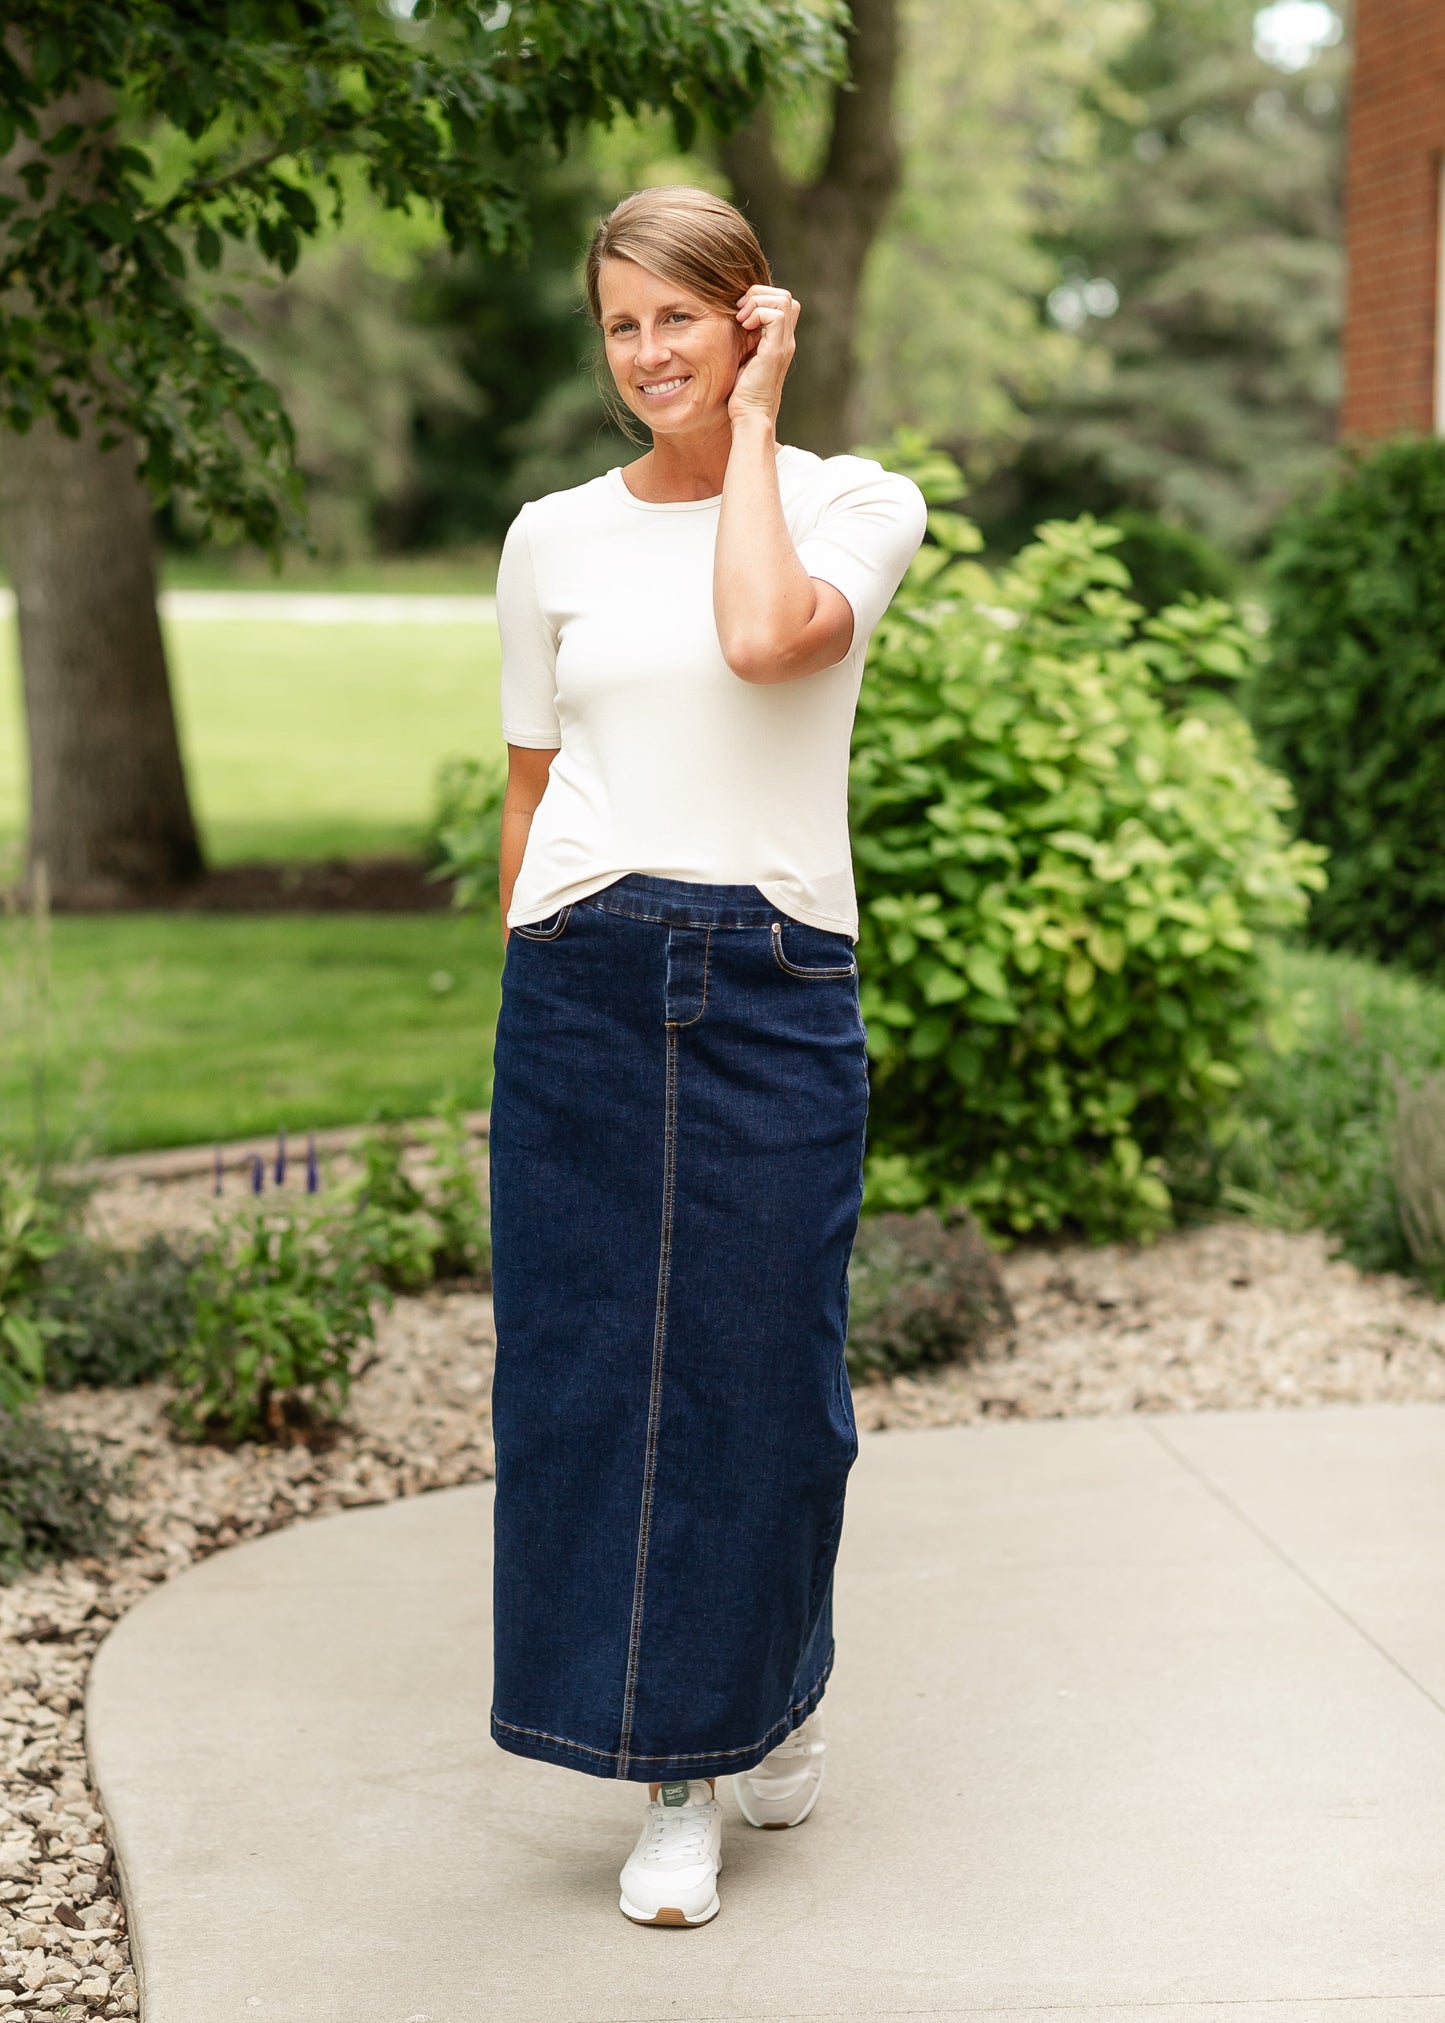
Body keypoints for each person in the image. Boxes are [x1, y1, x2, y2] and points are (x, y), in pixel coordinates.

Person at [488, 184, 926, 1928]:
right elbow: (530, 786)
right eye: (621, 324)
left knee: (771, 1382)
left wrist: (752, 428)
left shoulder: (851, 503)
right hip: (581, 978)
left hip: (771, 976)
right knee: (591, 1382)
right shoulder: (549, 538)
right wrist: (519, 983)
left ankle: (774, 1689)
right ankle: (672, 1777)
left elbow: (762, 641)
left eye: (679, 316)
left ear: (752, 317)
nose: (646, 352)